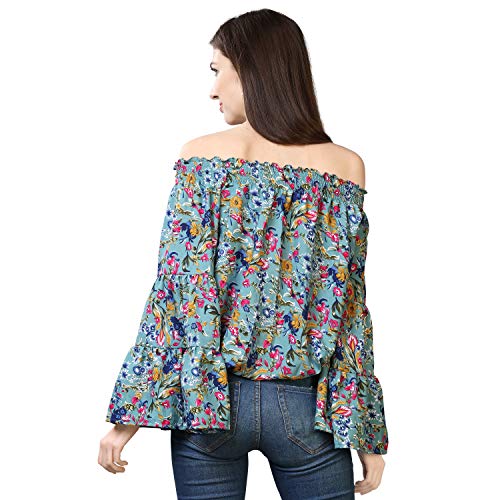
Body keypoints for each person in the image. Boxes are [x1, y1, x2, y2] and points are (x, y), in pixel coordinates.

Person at [98, 8, 389, 498]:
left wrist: (127, 419)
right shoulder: (344, 168)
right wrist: (364, 431)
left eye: (217, 71)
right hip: (304, 409)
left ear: (251, 70)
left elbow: (176, 293)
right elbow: (348, 309)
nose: (212, 90)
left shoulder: (200, 158)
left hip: (208, 404)